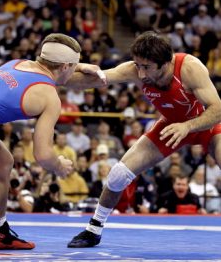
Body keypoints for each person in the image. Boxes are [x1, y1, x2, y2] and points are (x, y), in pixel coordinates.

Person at [67, 31, 221, 248]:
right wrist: (55, 74)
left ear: (166, 63)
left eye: (146, 67)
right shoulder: (134, 69)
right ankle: (94, 229)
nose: (140, 74)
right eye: (138, 65)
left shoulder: (190, 68)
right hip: (170, 127)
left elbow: (217, 109)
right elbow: (93, 80)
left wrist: (187, 126)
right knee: (118, 174)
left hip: (207, 125)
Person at [0, 33, 104, 250]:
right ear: (65, 66)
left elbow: (54, 65)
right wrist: (59, 166)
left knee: (4, 162)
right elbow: (42, 155)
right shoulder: (50, 97)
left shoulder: (20, 63)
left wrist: (80, 66)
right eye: (74, 67)